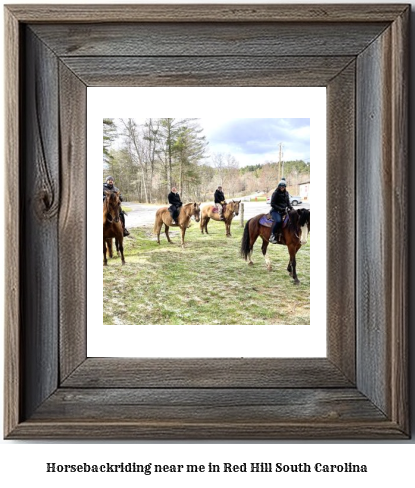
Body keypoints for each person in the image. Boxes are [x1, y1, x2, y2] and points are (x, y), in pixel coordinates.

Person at [269, 178, 292, 244]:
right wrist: (281, 208)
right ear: (278, 186)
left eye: (283, 186)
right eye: (281, 186)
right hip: (275, 211)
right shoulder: (275, 193)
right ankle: (272, 236)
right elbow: (272, 204)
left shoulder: (287, 193)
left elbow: (288, 203)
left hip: (284, 211)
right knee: (279, 221)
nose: (282, 188)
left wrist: (291, 208)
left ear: (285, 187)